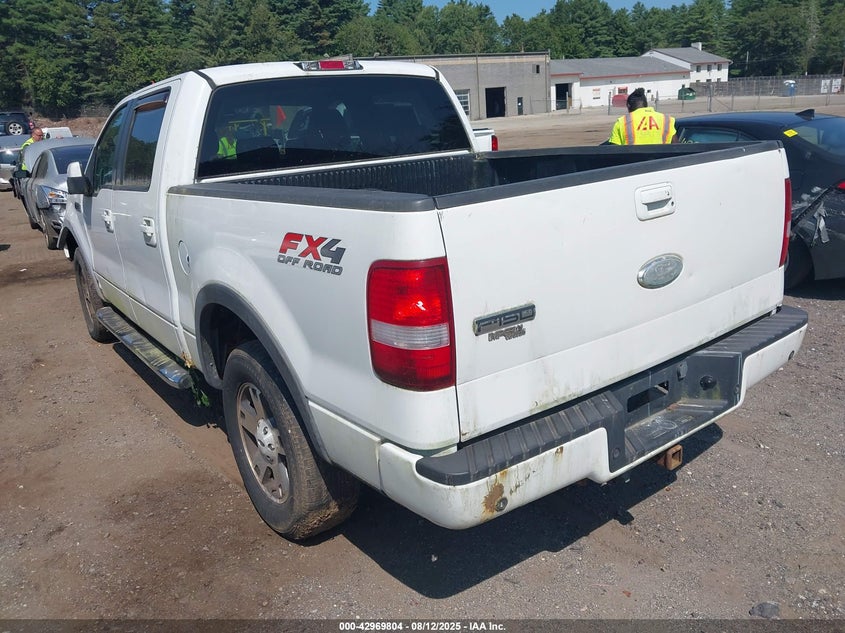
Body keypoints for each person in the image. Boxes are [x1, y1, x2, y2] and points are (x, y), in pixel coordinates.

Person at [608, 88, 676, 145]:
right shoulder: (667, 120)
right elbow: (677, 147)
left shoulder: (621, 122)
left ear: (628, 105)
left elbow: (614, 151)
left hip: (633, 158)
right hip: (663, 158)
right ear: (646, 104)